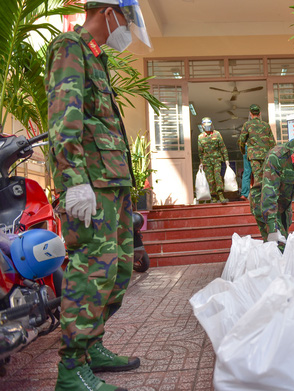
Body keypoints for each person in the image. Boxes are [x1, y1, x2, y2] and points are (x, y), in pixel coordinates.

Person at [44, 1, 151, 390]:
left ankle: (91, 347)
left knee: (118, 270)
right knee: (92, 271)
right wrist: (73, 180)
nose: (126, 28)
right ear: (108, 11)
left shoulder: (95, 57)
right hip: (90, 185)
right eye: (125, 19)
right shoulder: (70, 47)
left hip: (112, 184)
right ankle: (71, 369)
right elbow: (64, 117)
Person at [238, 104, 276, 229]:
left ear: (250, 114)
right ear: (259, 113)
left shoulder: (247, 125)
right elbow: (272, 142)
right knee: (266, 178)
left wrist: (244, 152)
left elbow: (241, 140)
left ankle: (256, 204)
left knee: (257, 180)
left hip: (253, 156)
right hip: (265, 155)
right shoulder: (265, 125)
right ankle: (267, 199)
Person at [198, 117, 229, 204]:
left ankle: (221, 195)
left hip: (217, 160)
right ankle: (214, 197)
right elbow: (200, 151)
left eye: (209, 125)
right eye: (205, 125)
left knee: (217, 177)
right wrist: (201, 162)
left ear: (211, 125)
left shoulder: (217, 134)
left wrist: (226, 159)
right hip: (206, 162)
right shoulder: (200, 137)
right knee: (210, 180)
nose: (207, 127)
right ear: (202, 126)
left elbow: (223, 147)